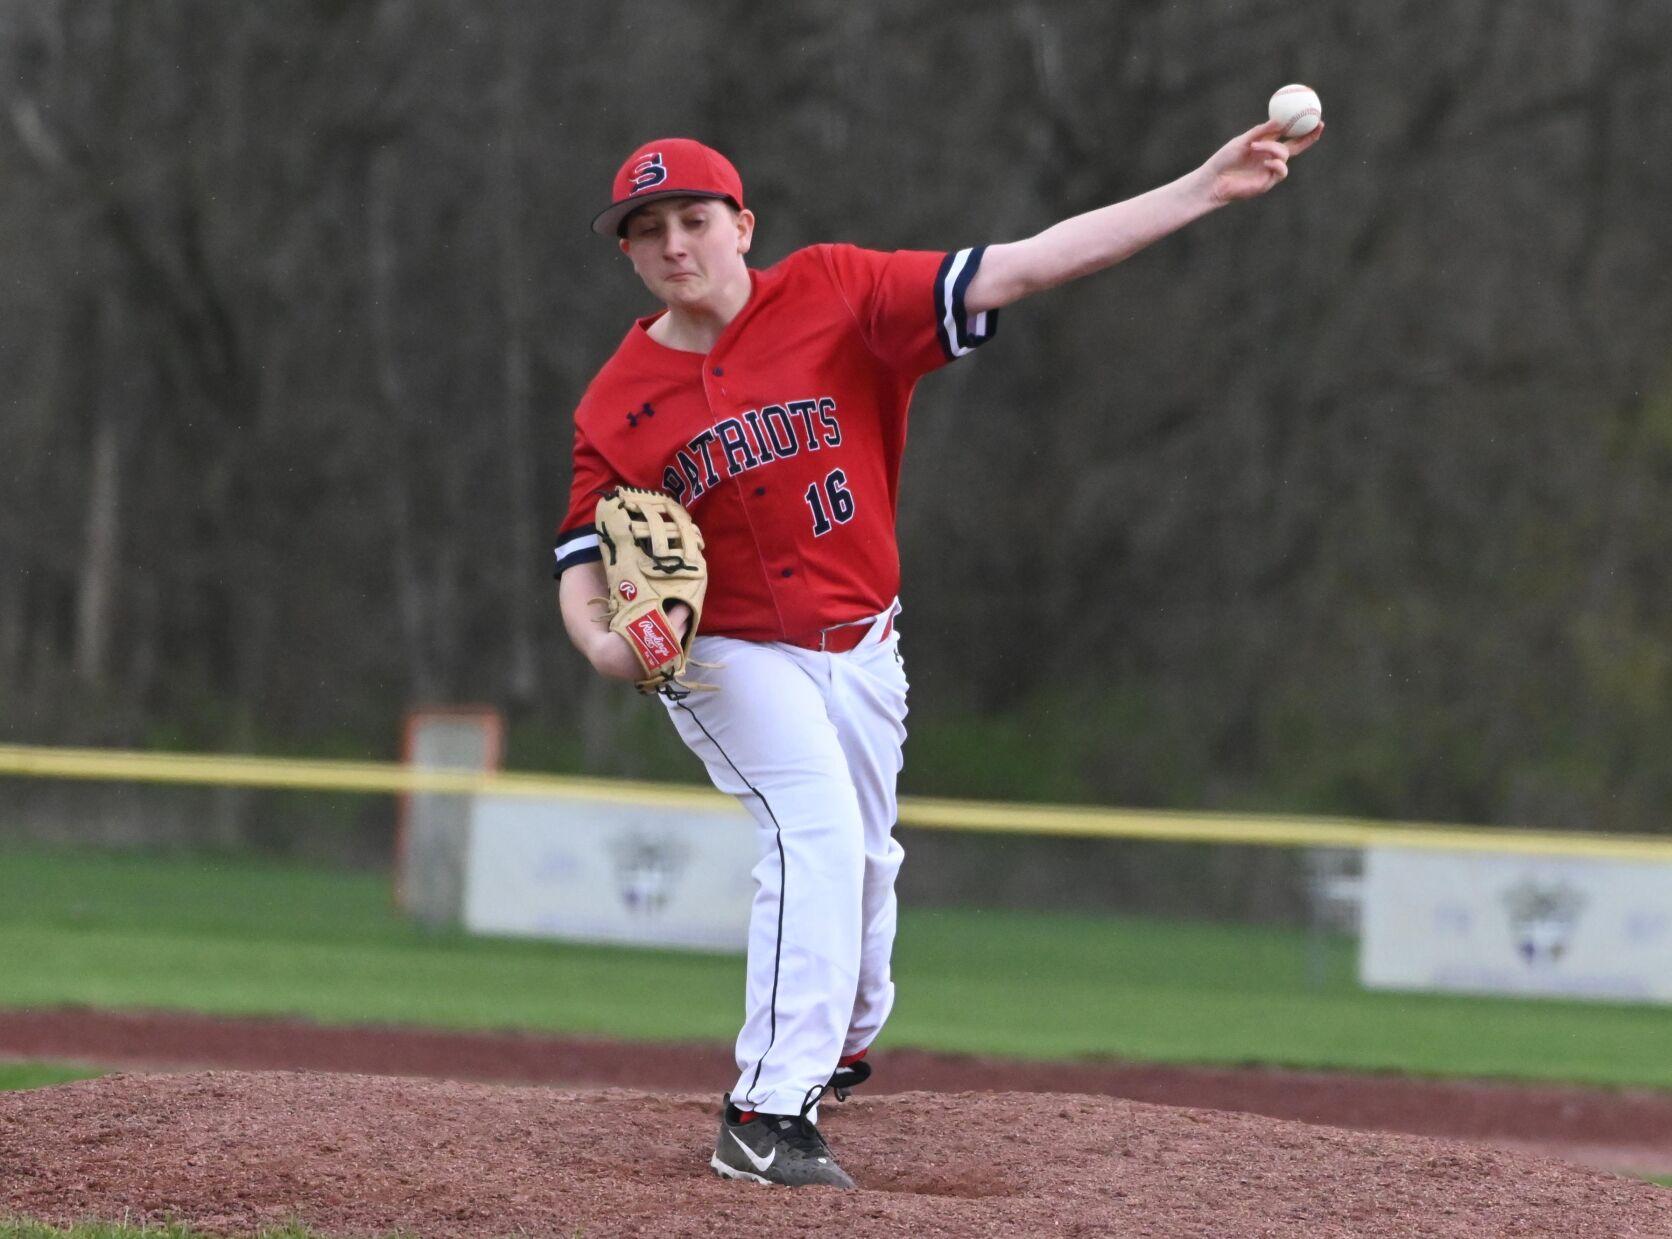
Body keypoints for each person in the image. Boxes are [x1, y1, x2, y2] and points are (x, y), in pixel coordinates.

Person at [554, 119, 1323, 1188]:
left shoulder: (833, 293)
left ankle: (837, 1046)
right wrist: (602, 646)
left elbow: (1021, 266)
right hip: (724, 654)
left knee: (865, 864)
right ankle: (763, 1113)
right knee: (811, 831)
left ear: (742, 226)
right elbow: (582, 560)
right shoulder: (616, 401)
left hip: (862, 641)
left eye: (694, 218)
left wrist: (1199, 187)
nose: (675, 243)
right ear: (627, 254)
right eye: (647, 230)